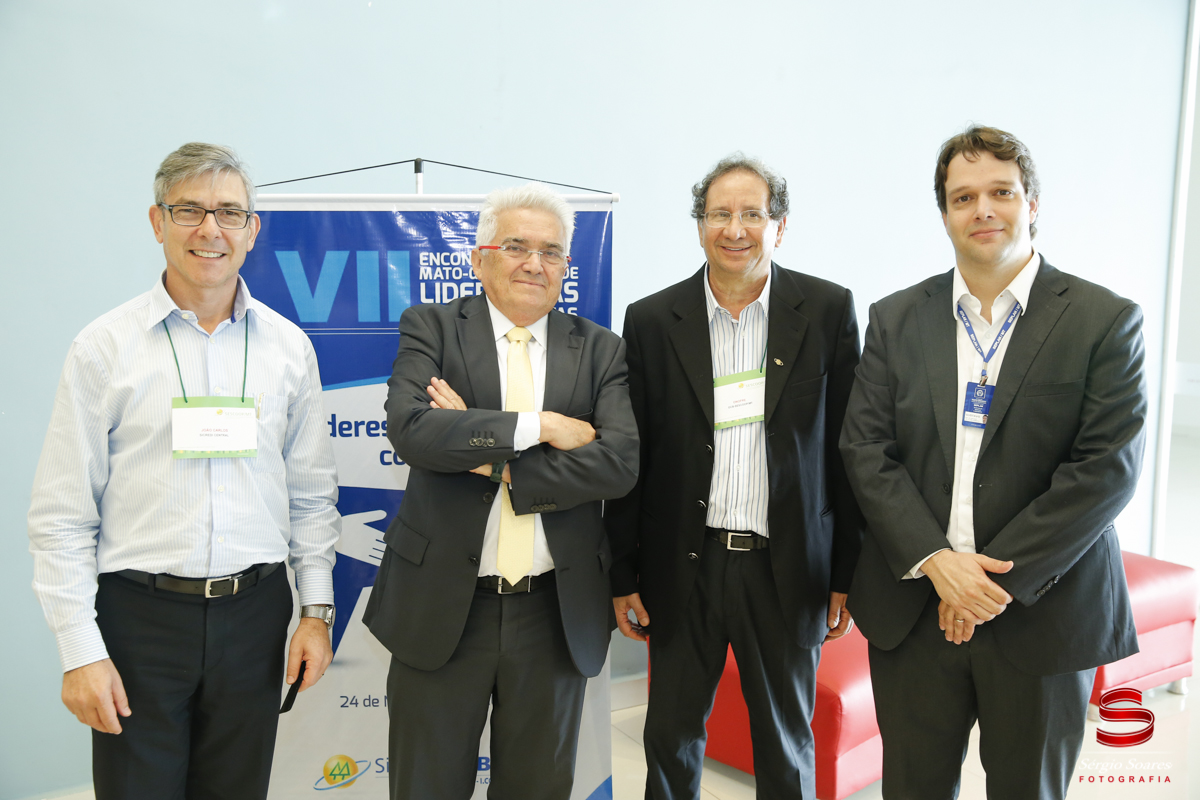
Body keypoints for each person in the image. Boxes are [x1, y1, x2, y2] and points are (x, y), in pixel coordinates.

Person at [27, 142, 341, 799]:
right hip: (139, 622)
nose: (210, 229)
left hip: (255, 617)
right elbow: (61, 517)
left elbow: (312, 498)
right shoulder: (103, 348)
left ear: (252, 230)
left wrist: (315, 612)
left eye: (229, 213)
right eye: (189, 210)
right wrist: (80, 651)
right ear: (157, 222)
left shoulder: (289, 348)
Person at [840, 125, 1145, 799]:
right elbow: (865, 449)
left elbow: (1106, 469)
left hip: (1044, 612)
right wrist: (937, 561)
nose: (983, 209)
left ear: (1031, 203)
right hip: (916, 610)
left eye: (1001, 192)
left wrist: (981, 585)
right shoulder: (896, 318)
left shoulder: (1103, 319)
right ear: (945, 212)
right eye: (963, 197)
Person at [363, 182, 639, 800]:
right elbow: (413, 432)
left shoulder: (601, 350)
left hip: (554, 613)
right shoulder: (432, 327)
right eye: (516, 247)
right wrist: (543, 427)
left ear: (566, 266)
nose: (534, 264)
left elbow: (618, 466)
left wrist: (490, 457)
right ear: (479, 258)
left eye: (551, 251)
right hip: (441, 607)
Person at [605, 154, 864, 799]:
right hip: (682, 564)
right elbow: (634, 455)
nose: (736, 228)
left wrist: (846, 574)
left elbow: (848, 450)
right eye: (720, 213)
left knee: (785, 743)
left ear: (781, 226)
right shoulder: (651, 320)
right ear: (699, 226)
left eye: (753, 213)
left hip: (787, 567)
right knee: (670, 738)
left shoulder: (826, 310)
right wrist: (622, 573)